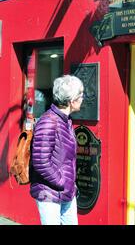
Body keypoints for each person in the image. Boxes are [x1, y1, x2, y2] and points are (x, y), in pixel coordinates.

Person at [30, 75, 84, 225]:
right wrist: (61, 181)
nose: (83, 98)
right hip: (49, 193)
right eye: (81, 95)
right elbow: (40, 162)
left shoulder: (65, 121)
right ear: (72, 100)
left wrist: (69, 184)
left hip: (67, 191)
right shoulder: (48, 122)